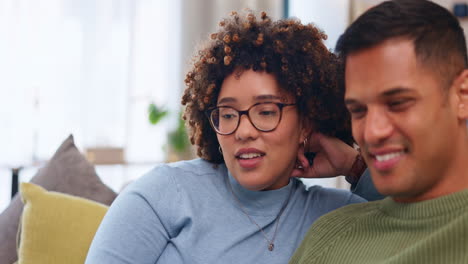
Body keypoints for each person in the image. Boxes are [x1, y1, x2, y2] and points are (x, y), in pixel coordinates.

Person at [85, 11, 376, 264]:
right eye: (227, 114)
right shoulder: (164, 193)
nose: (243, 131)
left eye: (265, 111)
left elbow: (420, 232)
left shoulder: (336, 216)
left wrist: (354, 167)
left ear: (305, 123)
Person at [290, 0, 468, 263]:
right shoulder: (328, 237)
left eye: (397, 103)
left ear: (461, 96)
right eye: (358, 110)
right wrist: (356, 167)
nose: (371, 133)